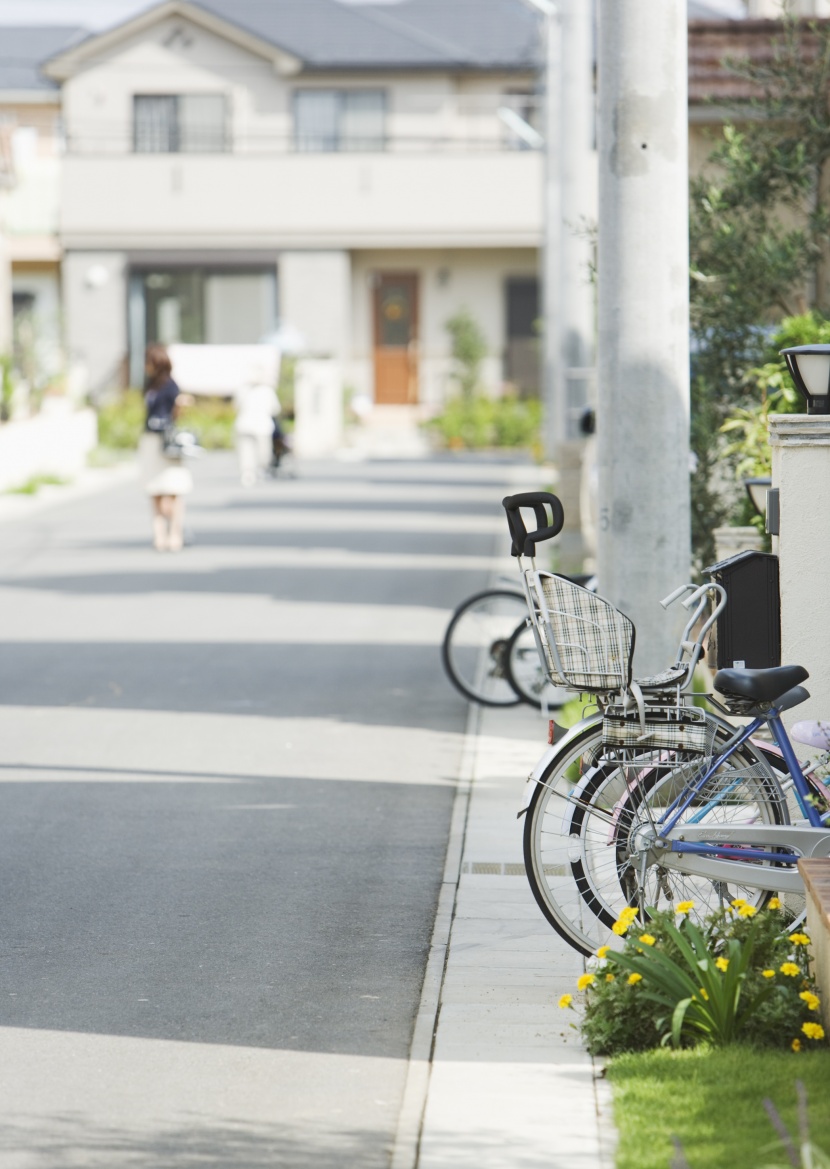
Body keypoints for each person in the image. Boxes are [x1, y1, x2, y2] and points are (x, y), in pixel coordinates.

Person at [138, 344, 193, 552]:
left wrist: (180, 406)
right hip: (150, 439)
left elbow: (175, 414)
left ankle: (175, 533)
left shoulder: (171, 386)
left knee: (173, 489)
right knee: (154, 489)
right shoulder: (149, 385)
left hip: (168, 441)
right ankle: (159, 534)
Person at [235, 366, 280, 486]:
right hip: (261, 425)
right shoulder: (267, 391)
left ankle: (248, 473)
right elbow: (275, 409)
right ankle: (258, 471)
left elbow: (236, 406)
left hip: (246, 424)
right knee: (262, 451)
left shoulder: (243, 390)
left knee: (247, 451)